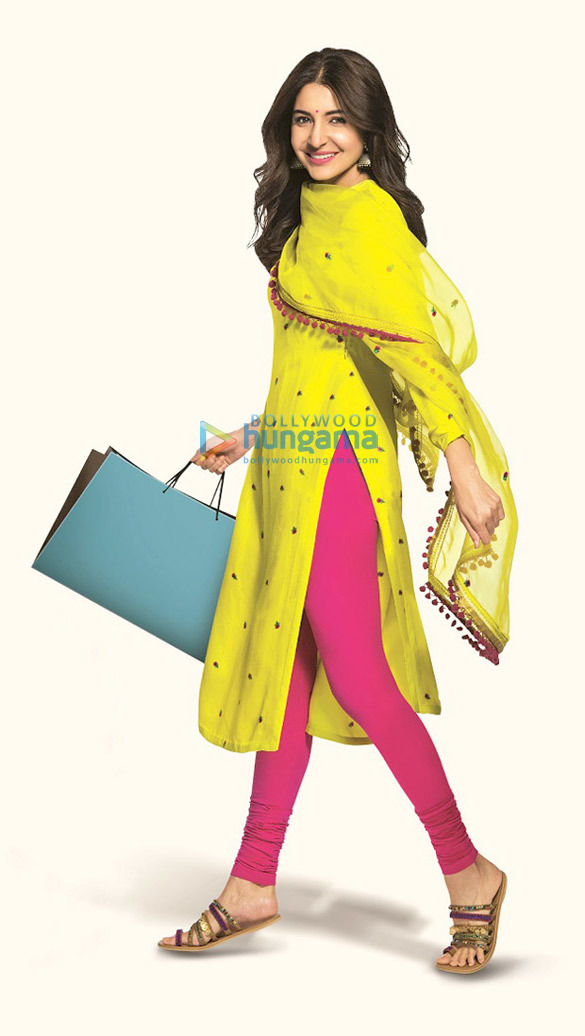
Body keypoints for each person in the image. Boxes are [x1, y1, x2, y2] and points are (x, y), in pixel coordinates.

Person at [159, 48, 517, 973]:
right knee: (283, 670)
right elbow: (318, 365)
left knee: (359, 677)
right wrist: (249, 434)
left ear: (367, 131)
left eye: (337, 120)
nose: (318, 137)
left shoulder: (370, 219)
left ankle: (468, 871)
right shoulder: (301, 220)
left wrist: (463, 466)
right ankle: (253, 880)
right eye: (303, 119)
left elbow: (412, 355)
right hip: (287, 465)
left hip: (341, 478)